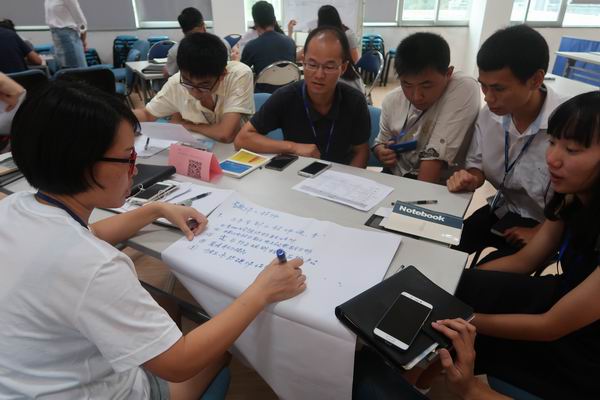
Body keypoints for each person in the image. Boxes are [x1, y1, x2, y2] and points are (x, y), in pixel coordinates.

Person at [0, 80, 307, 398]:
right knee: (225, 347)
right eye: (128, 158)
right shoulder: (96, 267)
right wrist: (260, 292)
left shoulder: (15, 206)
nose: (135, 170)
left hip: (21, 381)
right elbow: (179, 363)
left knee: (165, 301)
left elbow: (93, 234)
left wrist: (155, 209)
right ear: (83, 164)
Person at [441, 91, 600, 399]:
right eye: (552, 142)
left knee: (467, 324)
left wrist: (461, 319)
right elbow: (526, 260)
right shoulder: (573, 194)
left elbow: (551, 326)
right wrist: (452, 282)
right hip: (562, 297)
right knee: (465, 286)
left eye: (572, 150)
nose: (552, 158)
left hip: (584, 343)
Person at [447, 25, 567, 264]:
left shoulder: (569, 124)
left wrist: (543, 232)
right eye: (483, 85)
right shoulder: (489, 116)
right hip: (504, 209)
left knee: (480, 276)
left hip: (551, 225)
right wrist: (471, 178)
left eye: (499, 88)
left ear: (535, 80)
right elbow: (477, 165)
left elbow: (585, 200)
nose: (488, 97)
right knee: (446, 244)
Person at [234, 26, 370, 168]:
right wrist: (293, 147)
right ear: (303, 61)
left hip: (340, 174)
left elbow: (361, 151)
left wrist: (349, 179)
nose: (319, 75)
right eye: (312, 64)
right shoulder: (286, 97)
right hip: (297, 174)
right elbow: (242, 139)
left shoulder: (355, 101)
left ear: (343, 68)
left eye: (329, 67)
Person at [371, 32, 480, 184]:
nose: (416, 96)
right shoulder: (392, 100)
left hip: (439, 184)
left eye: (426, 85)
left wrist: (416, 199)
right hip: (396, 175)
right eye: (407, 84)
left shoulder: (463, 87)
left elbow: (433, 161)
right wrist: (381, 151)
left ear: (448, 73)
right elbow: (381, 141)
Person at [134, 32, 254, 144]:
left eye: (204, 85)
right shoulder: (176, 82)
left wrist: (187, 125)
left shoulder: (239, 75)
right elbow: (146, 114)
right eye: (188, 82)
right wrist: (123, 118)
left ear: (222, 75)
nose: (195, 92)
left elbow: (226, 134)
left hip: (238, 150)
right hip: (199, 148)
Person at [241, 1, 296, 93]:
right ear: (274, 21)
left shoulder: (251, 46)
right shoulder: (290, 42)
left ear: (255, 23)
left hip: (263, 97)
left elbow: (242, 73)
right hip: (288, 93)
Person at [165, 7, 231, 77]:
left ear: (183, 31)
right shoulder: (223, 43)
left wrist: (167, 70)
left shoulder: (175, 51)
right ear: (203, 26)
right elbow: (228, 69)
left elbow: (169, 74)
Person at [288, 5, 360, 63]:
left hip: (341, 73)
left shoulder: (318, 36)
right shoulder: (348, 33)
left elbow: (297, 56)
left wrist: (290, 33)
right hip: (340, 72)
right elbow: (355, 59)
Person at [44, 0, 88, 68]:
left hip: (69, 37)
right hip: (56, 37)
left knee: (77, 70)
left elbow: (81, 21)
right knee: (64, 70)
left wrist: (83, 40)